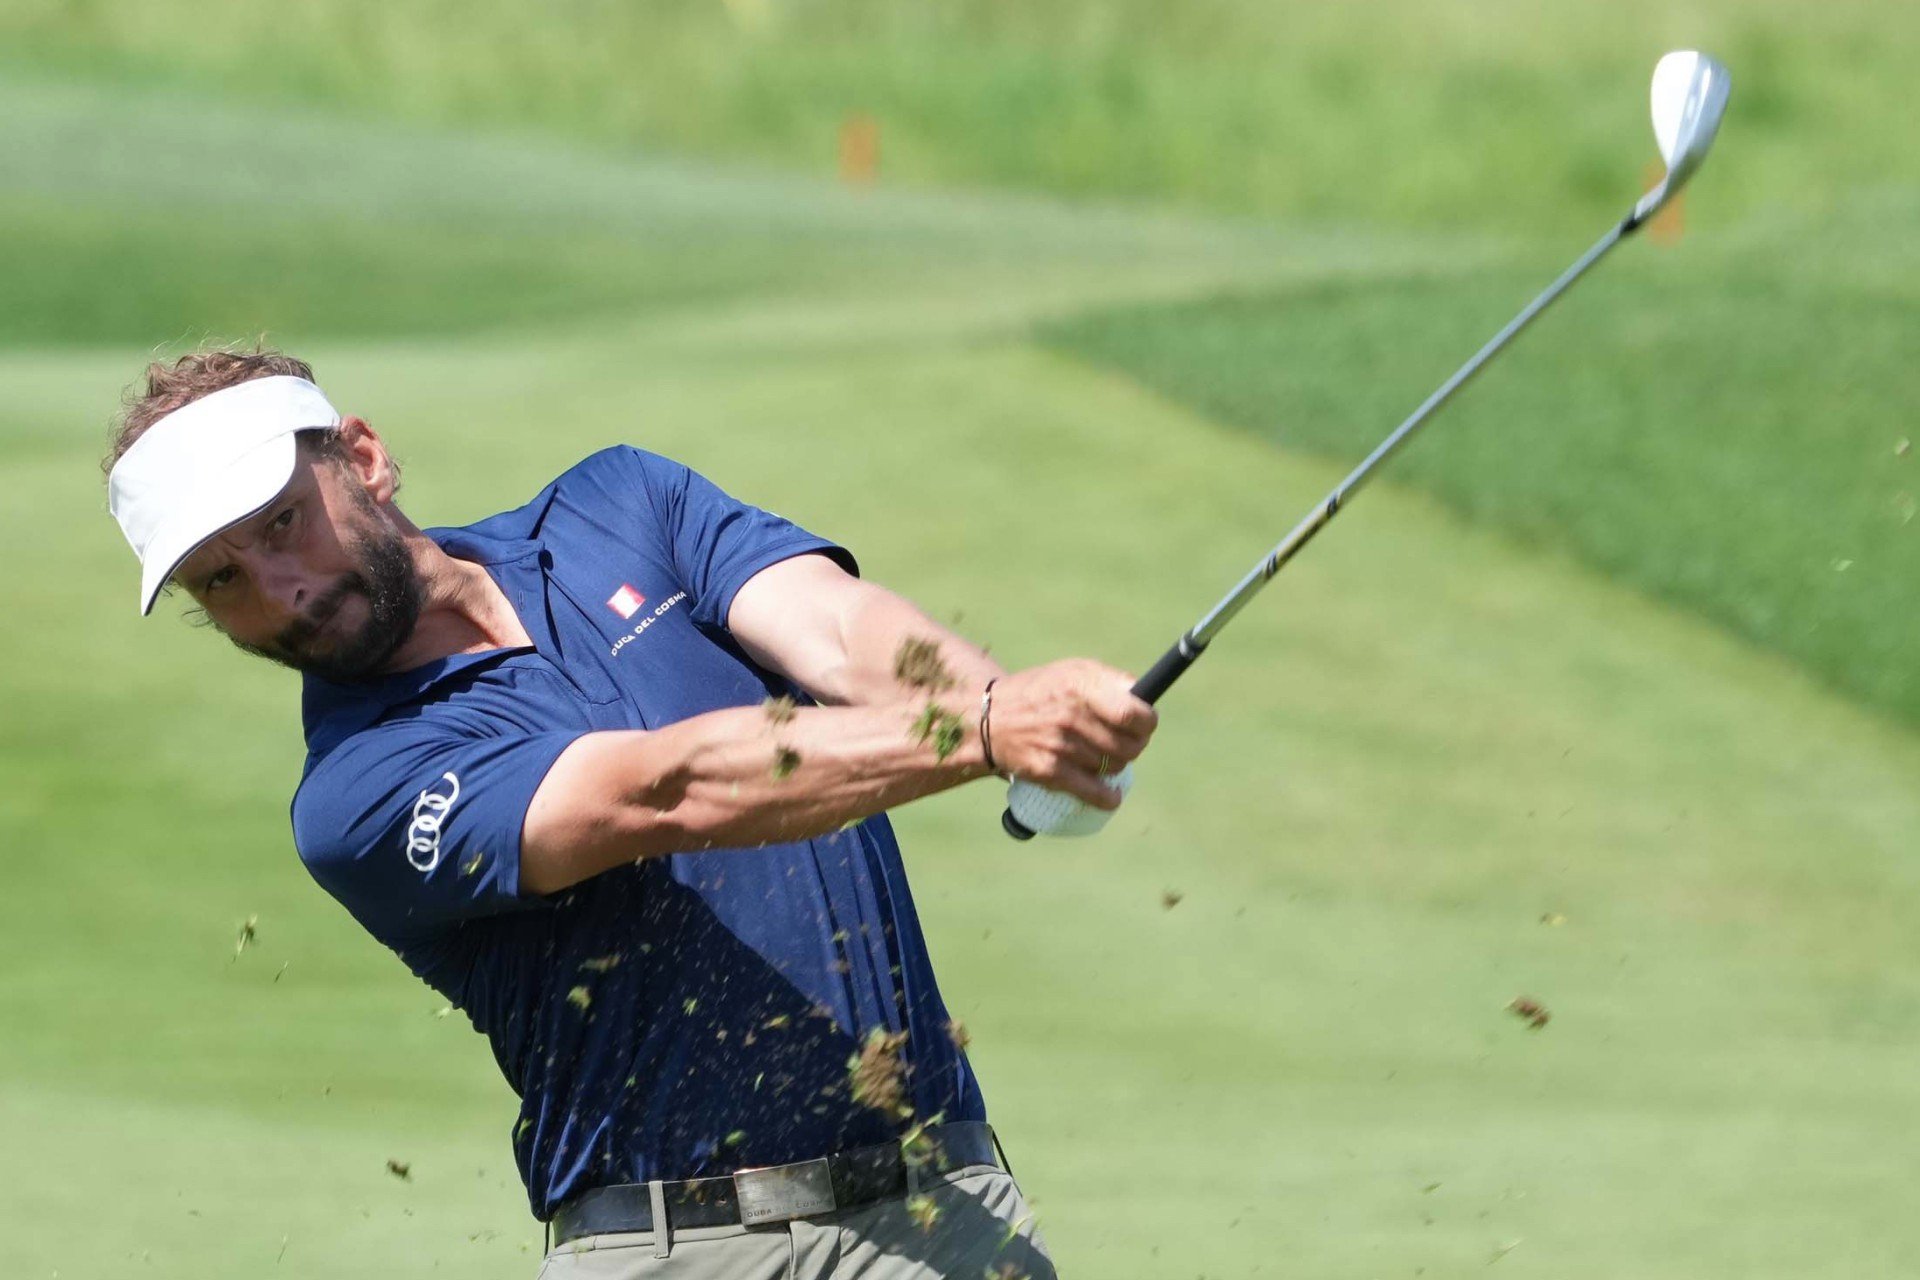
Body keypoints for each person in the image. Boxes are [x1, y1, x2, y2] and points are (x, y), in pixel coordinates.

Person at [104, 346, 1157, 1279]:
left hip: (946, 1214)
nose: (278, 590)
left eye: (282, 522)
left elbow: (841, 631)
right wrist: (976, 733)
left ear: (364, 456)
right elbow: (663, 790)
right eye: (222, 578)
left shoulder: (621, 504)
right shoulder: (359, 791)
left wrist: (994, 696)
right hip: (677, 1248)